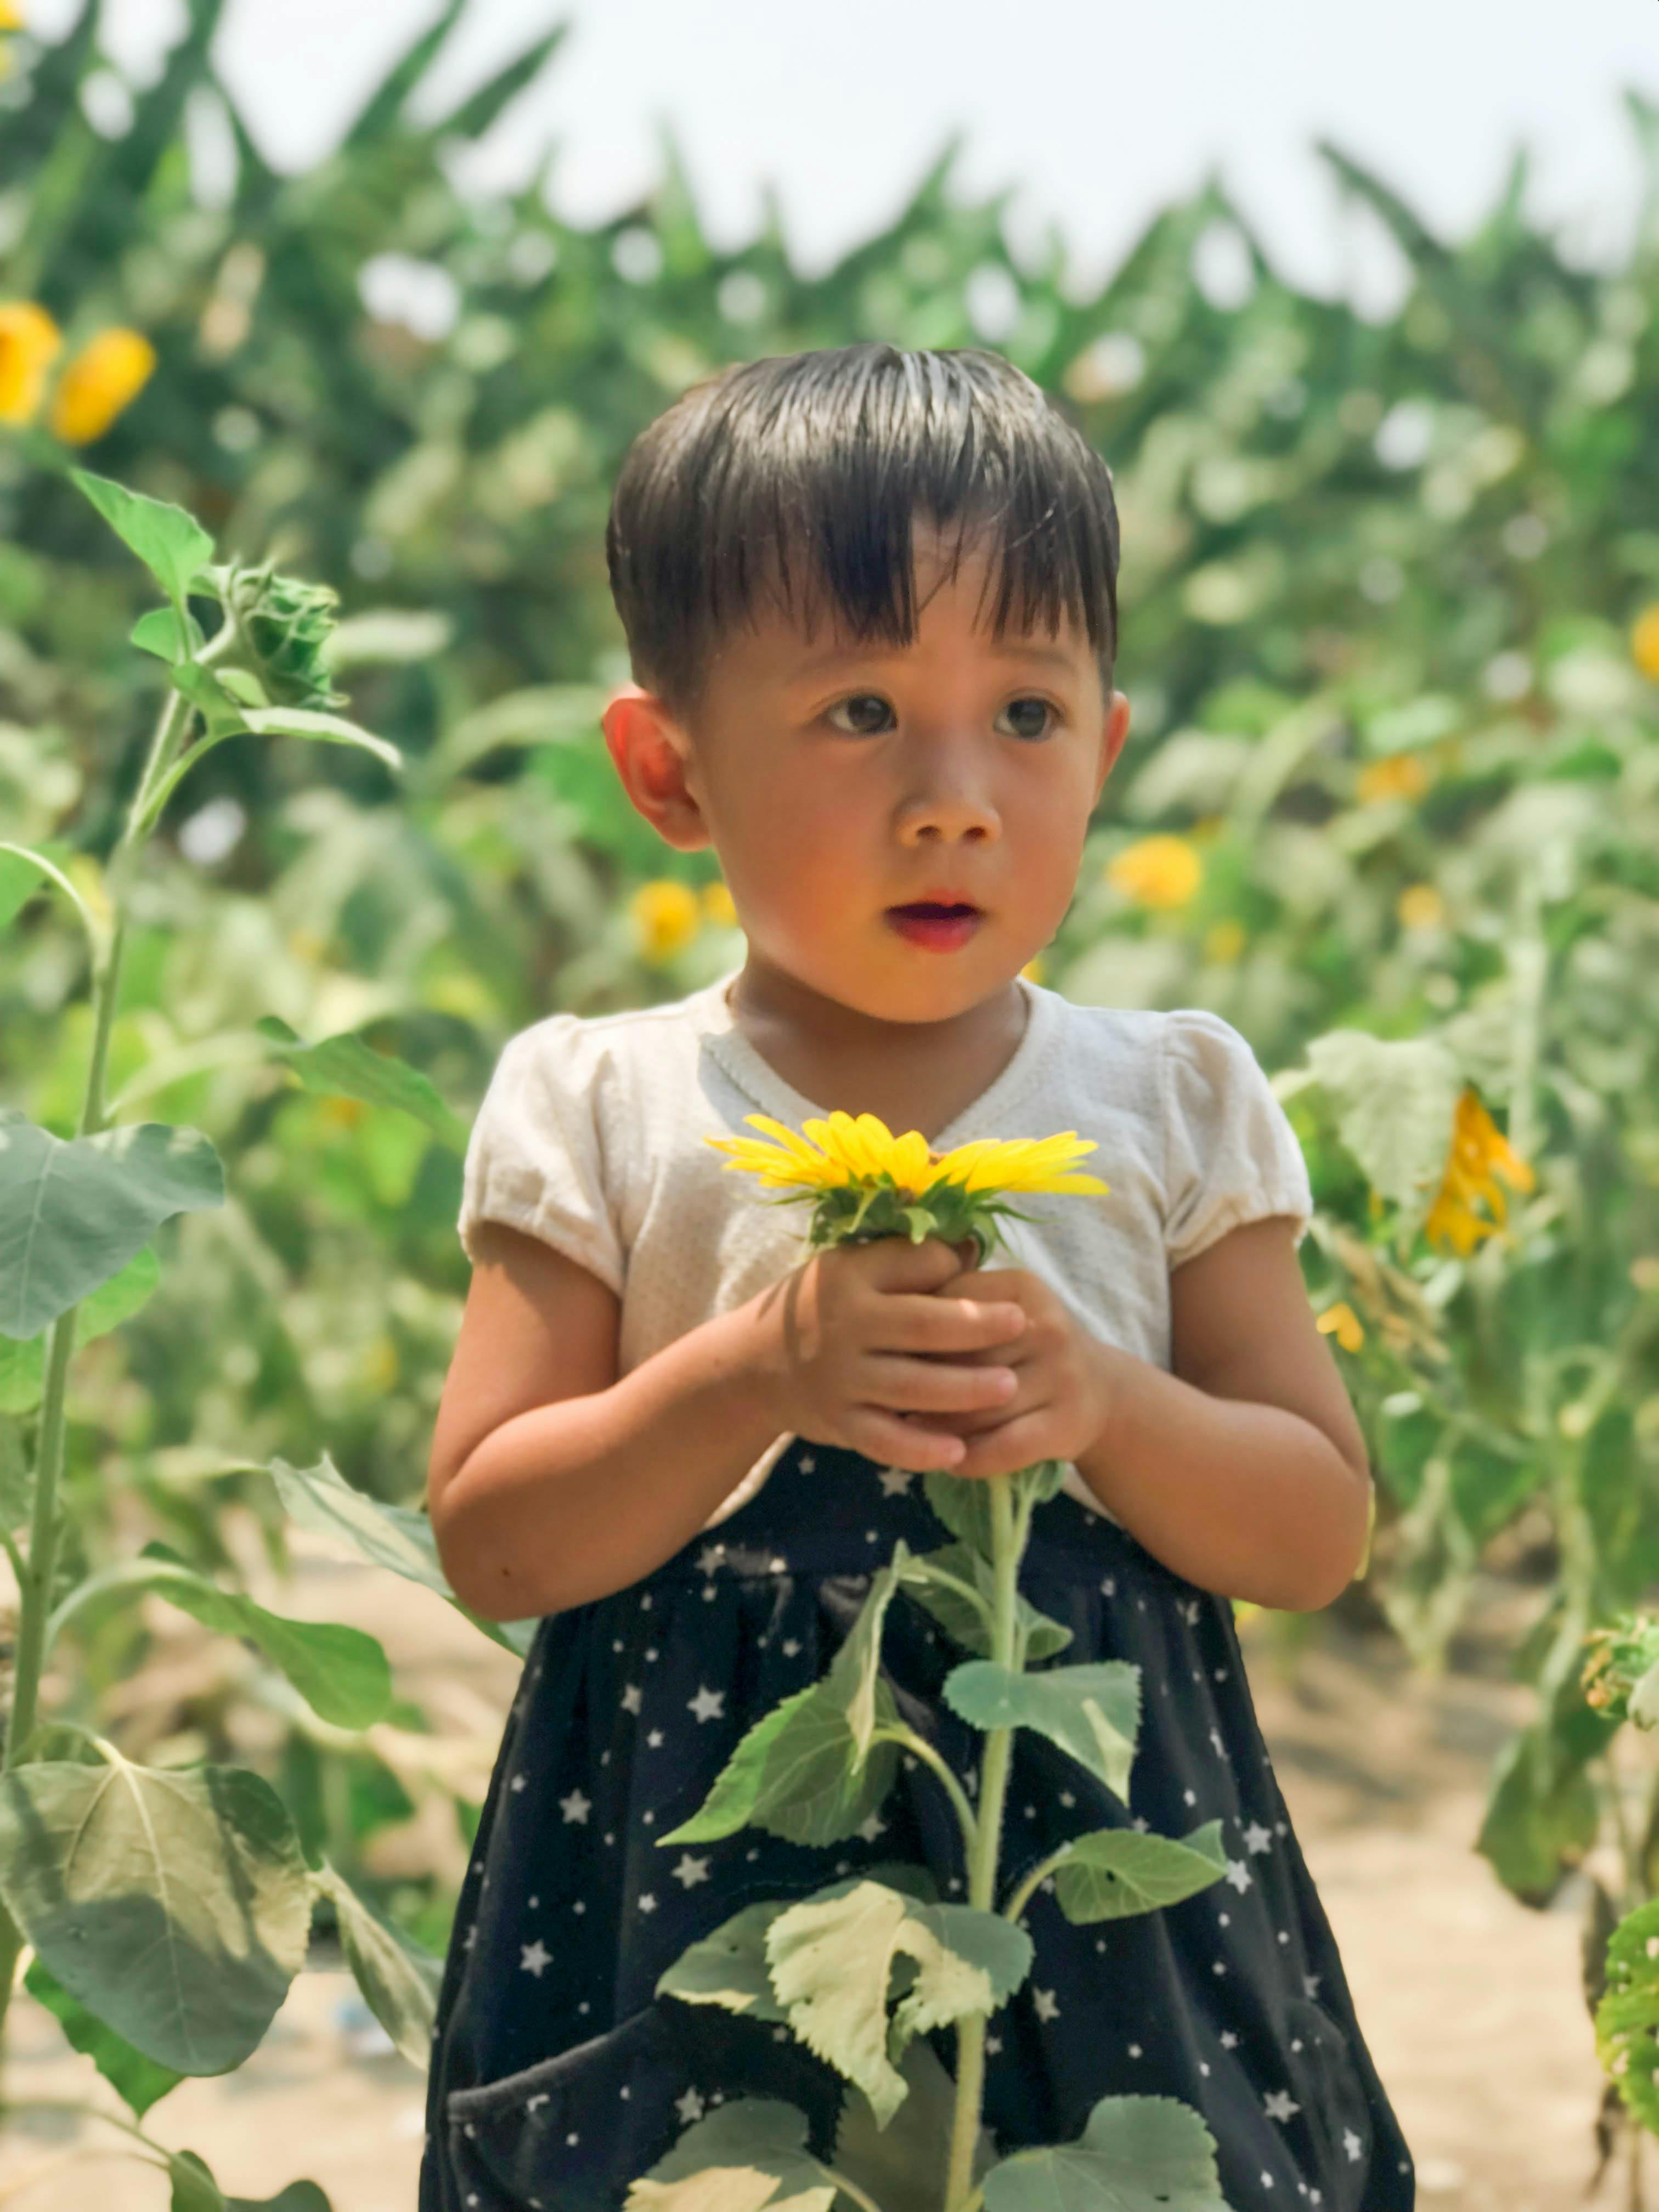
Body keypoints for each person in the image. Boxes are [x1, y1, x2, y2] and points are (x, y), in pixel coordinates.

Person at [417, 343, 1414, 2211]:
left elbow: (1311, 1532)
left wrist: (1109, 1404)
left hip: (1096, 1921)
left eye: (1026, 716)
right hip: (692, 1902)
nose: (956, 795)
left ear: (1106, 754)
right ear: (669, 768)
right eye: (862, 710)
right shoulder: (607, 1100)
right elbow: (495, 1540)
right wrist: (751, 1370)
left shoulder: (1169, 1095)